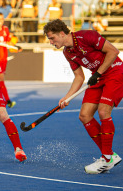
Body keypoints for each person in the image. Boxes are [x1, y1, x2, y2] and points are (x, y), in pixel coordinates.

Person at [43, 19, 123, 174]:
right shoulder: (67, 52)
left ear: (62, 33)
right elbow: (79, 77)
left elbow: (113, 51)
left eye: (52, 38)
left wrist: (99, 72)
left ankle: (106, 158)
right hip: (98, 77)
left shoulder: (86, 36)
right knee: (85, 116)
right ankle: (110, 156)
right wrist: (66, 97)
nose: (51, 42)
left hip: (115, 73)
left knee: (103, 112)